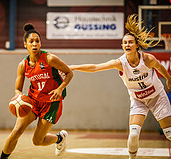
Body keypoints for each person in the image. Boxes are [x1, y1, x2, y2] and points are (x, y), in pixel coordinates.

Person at [69, 14, 171, 159]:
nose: (127, 45)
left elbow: (160, 68)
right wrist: (74, 67)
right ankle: (131, 158)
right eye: (125, 43)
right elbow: (95, 67)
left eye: (130, 42)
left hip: (157, 97)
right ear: (122, 46)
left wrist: (168, 79)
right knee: (134, 134)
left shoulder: (148, 59)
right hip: (138, 101)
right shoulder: (120, 63)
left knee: (169, 133)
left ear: (137, 45)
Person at [0, 23, 73, 159]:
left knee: (37, 141)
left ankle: (59, 138)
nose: (35, 44)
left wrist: (60, 88)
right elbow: (17, 89)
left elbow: (69, 73)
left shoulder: (49, 59)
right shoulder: (23, 65)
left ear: (40, 43)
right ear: (25, 44)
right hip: (33, 101)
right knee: (16, 132)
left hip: (52, 103)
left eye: (37, 41)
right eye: (31, 41)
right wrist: (19, 96)